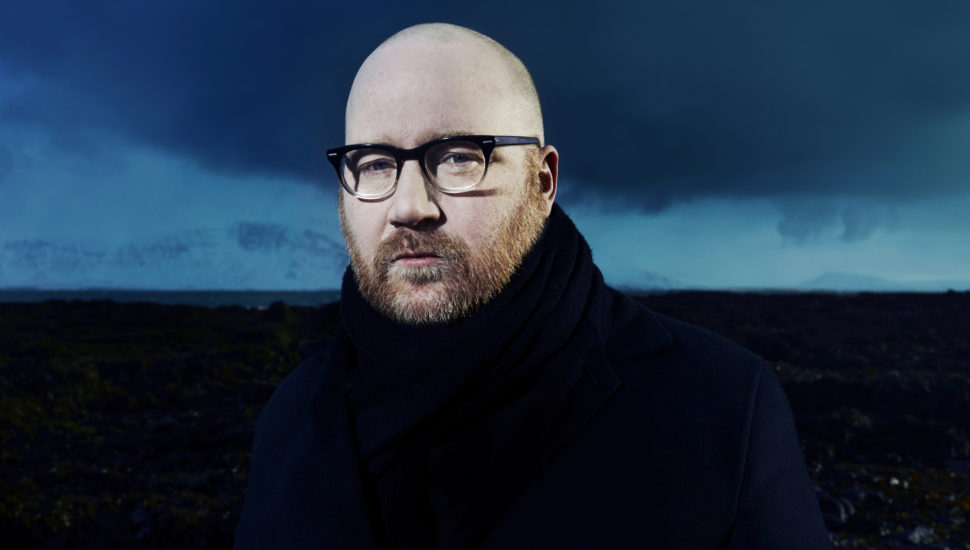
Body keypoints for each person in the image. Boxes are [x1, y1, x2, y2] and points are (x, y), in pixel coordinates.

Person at [234, 23, 832, 550]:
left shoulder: (722, 405)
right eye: (375, 164)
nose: (409, 206)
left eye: (459, 156)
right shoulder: (293, 415)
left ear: (542, 181)